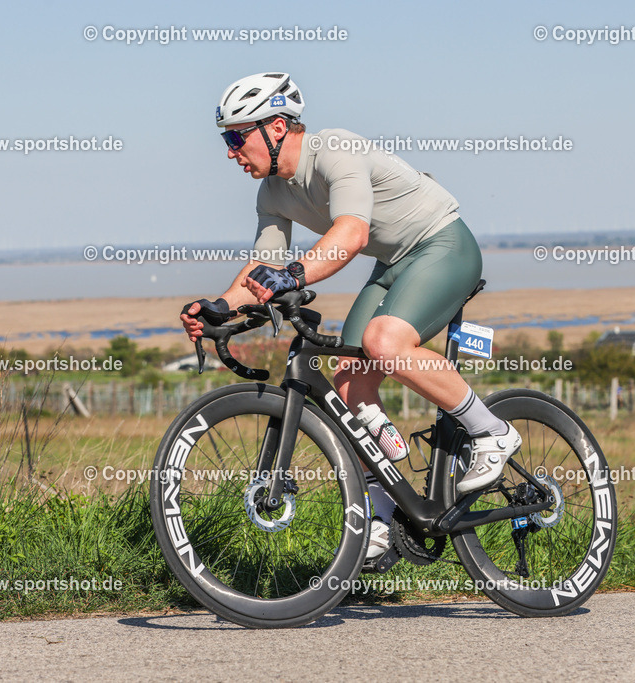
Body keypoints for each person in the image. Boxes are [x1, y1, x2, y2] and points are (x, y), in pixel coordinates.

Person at [181, 72, 521, 559]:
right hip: (394, 264)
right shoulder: (273, 192)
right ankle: (386, 517)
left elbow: (351, 233)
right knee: (348, 384)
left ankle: (491, 430)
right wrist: (216, 307)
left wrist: (295, 275)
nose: (231, 151)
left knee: (384, 341)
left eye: (237, 136)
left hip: (443, 244)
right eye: (226, 139)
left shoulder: (334, 149)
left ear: (276, 128)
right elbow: (262, 269)